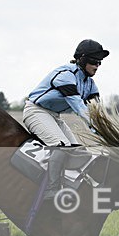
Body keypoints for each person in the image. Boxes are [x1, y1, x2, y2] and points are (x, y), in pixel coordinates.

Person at [23, 39, 110, 199]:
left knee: (79, 151)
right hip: (35, 111)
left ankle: (72, 186)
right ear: (82, 59)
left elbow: (97, 114)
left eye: (99, 62)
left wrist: (108, 134)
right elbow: (79, 107)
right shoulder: (66, 75)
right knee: (62, 147)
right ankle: (51, 190)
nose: (97, 66)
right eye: (93, 61)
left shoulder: (90, 85)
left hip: (54, 116)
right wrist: (101, 132)